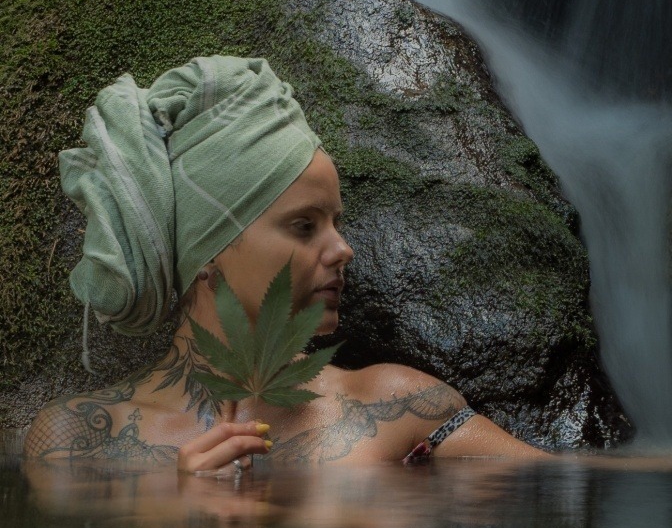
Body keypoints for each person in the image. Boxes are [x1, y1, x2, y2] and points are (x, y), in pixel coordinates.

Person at [24, 55, 546, 471]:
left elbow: (575, 491)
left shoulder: (401, 407)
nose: (343, 249)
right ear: (207, 254)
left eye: (336, 222)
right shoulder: (79, 441)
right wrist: (180, 524)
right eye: (304, 226)